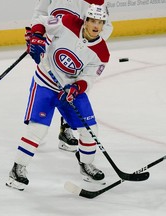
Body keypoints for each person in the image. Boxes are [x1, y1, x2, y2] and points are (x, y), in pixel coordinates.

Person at [6, 3, 110, 191]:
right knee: (37, 129)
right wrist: (36, 35)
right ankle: (18, 169)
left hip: (70, 91)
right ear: (85, 20)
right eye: (92, 20)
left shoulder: (102, 52)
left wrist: (77, 87)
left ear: (104, 25)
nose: (96, 25)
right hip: (45, 82)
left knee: (90, 129)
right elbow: (42, 21)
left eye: (100, 22)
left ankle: (86, 165)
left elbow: (89, 78)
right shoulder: (69, 22)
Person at [26, 0, 113, 152]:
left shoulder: (96, 2)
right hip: (51, 45)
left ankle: (65, 129)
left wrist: (85, 47)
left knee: (72, 92)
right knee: (44, 86)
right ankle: (35, 131)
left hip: (75, 54)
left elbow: (105, 26)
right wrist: (34, 33)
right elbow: (40, 13)